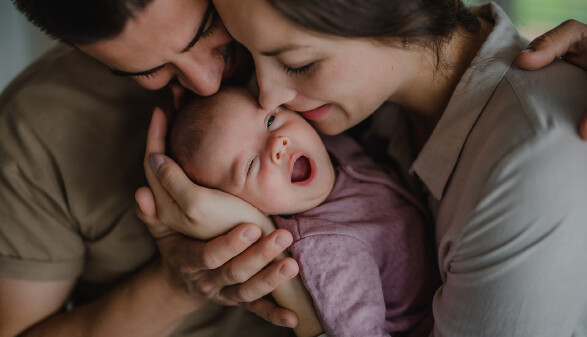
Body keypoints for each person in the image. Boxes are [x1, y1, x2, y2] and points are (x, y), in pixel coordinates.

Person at [1, 0, 586, 335]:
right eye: (148, 72)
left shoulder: (354, 94)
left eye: (209, 27)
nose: (209, 82)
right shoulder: (34, 129)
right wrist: (180, 282)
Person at [167, 86, 440, 336]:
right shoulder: (326, 249)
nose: (277, 144)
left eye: (271, 120)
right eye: (250, 165)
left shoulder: (330, 146)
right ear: (243, 207)